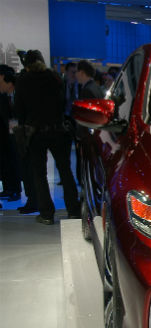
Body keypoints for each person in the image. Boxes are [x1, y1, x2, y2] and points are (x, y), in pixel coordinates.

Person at [14, 50, 80, 225]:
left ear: (27, 65)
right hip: (58, 130)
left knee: (40, 174)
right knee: (65, 171)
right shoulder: (53, 77)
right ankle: (73, 210)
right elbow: (63, 102)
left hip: (35, 132)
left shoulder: (23, 80)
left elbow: (19, 108)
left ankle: (47, 214)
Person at [0, 65, 22, 202]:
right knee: (5, 161)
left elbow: (10, 114)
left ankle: (15, 189)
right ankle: (9, 188)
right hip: (4, 132)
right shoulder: (3, 93)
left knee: (12, 160)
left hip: (10, 131)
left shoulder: (10, 93)